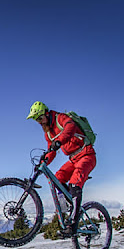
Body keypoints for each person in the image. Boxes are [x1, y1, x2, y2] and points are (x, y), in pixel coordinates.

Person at [26, 101, 97, 235]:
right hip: (73, 159)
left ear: (47, 114)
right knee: (57, 178)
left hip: (87, 154)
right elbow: (51, 150)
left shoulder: (61, 118)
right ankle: (71, 204)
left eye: (40, 118)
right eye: (36, 120)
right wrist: (44, 162)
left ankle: (73, 225)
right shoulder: (48, 133)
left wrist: (59, 141)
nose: (39, 122)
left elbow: (70, 128)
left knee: (75, 183)